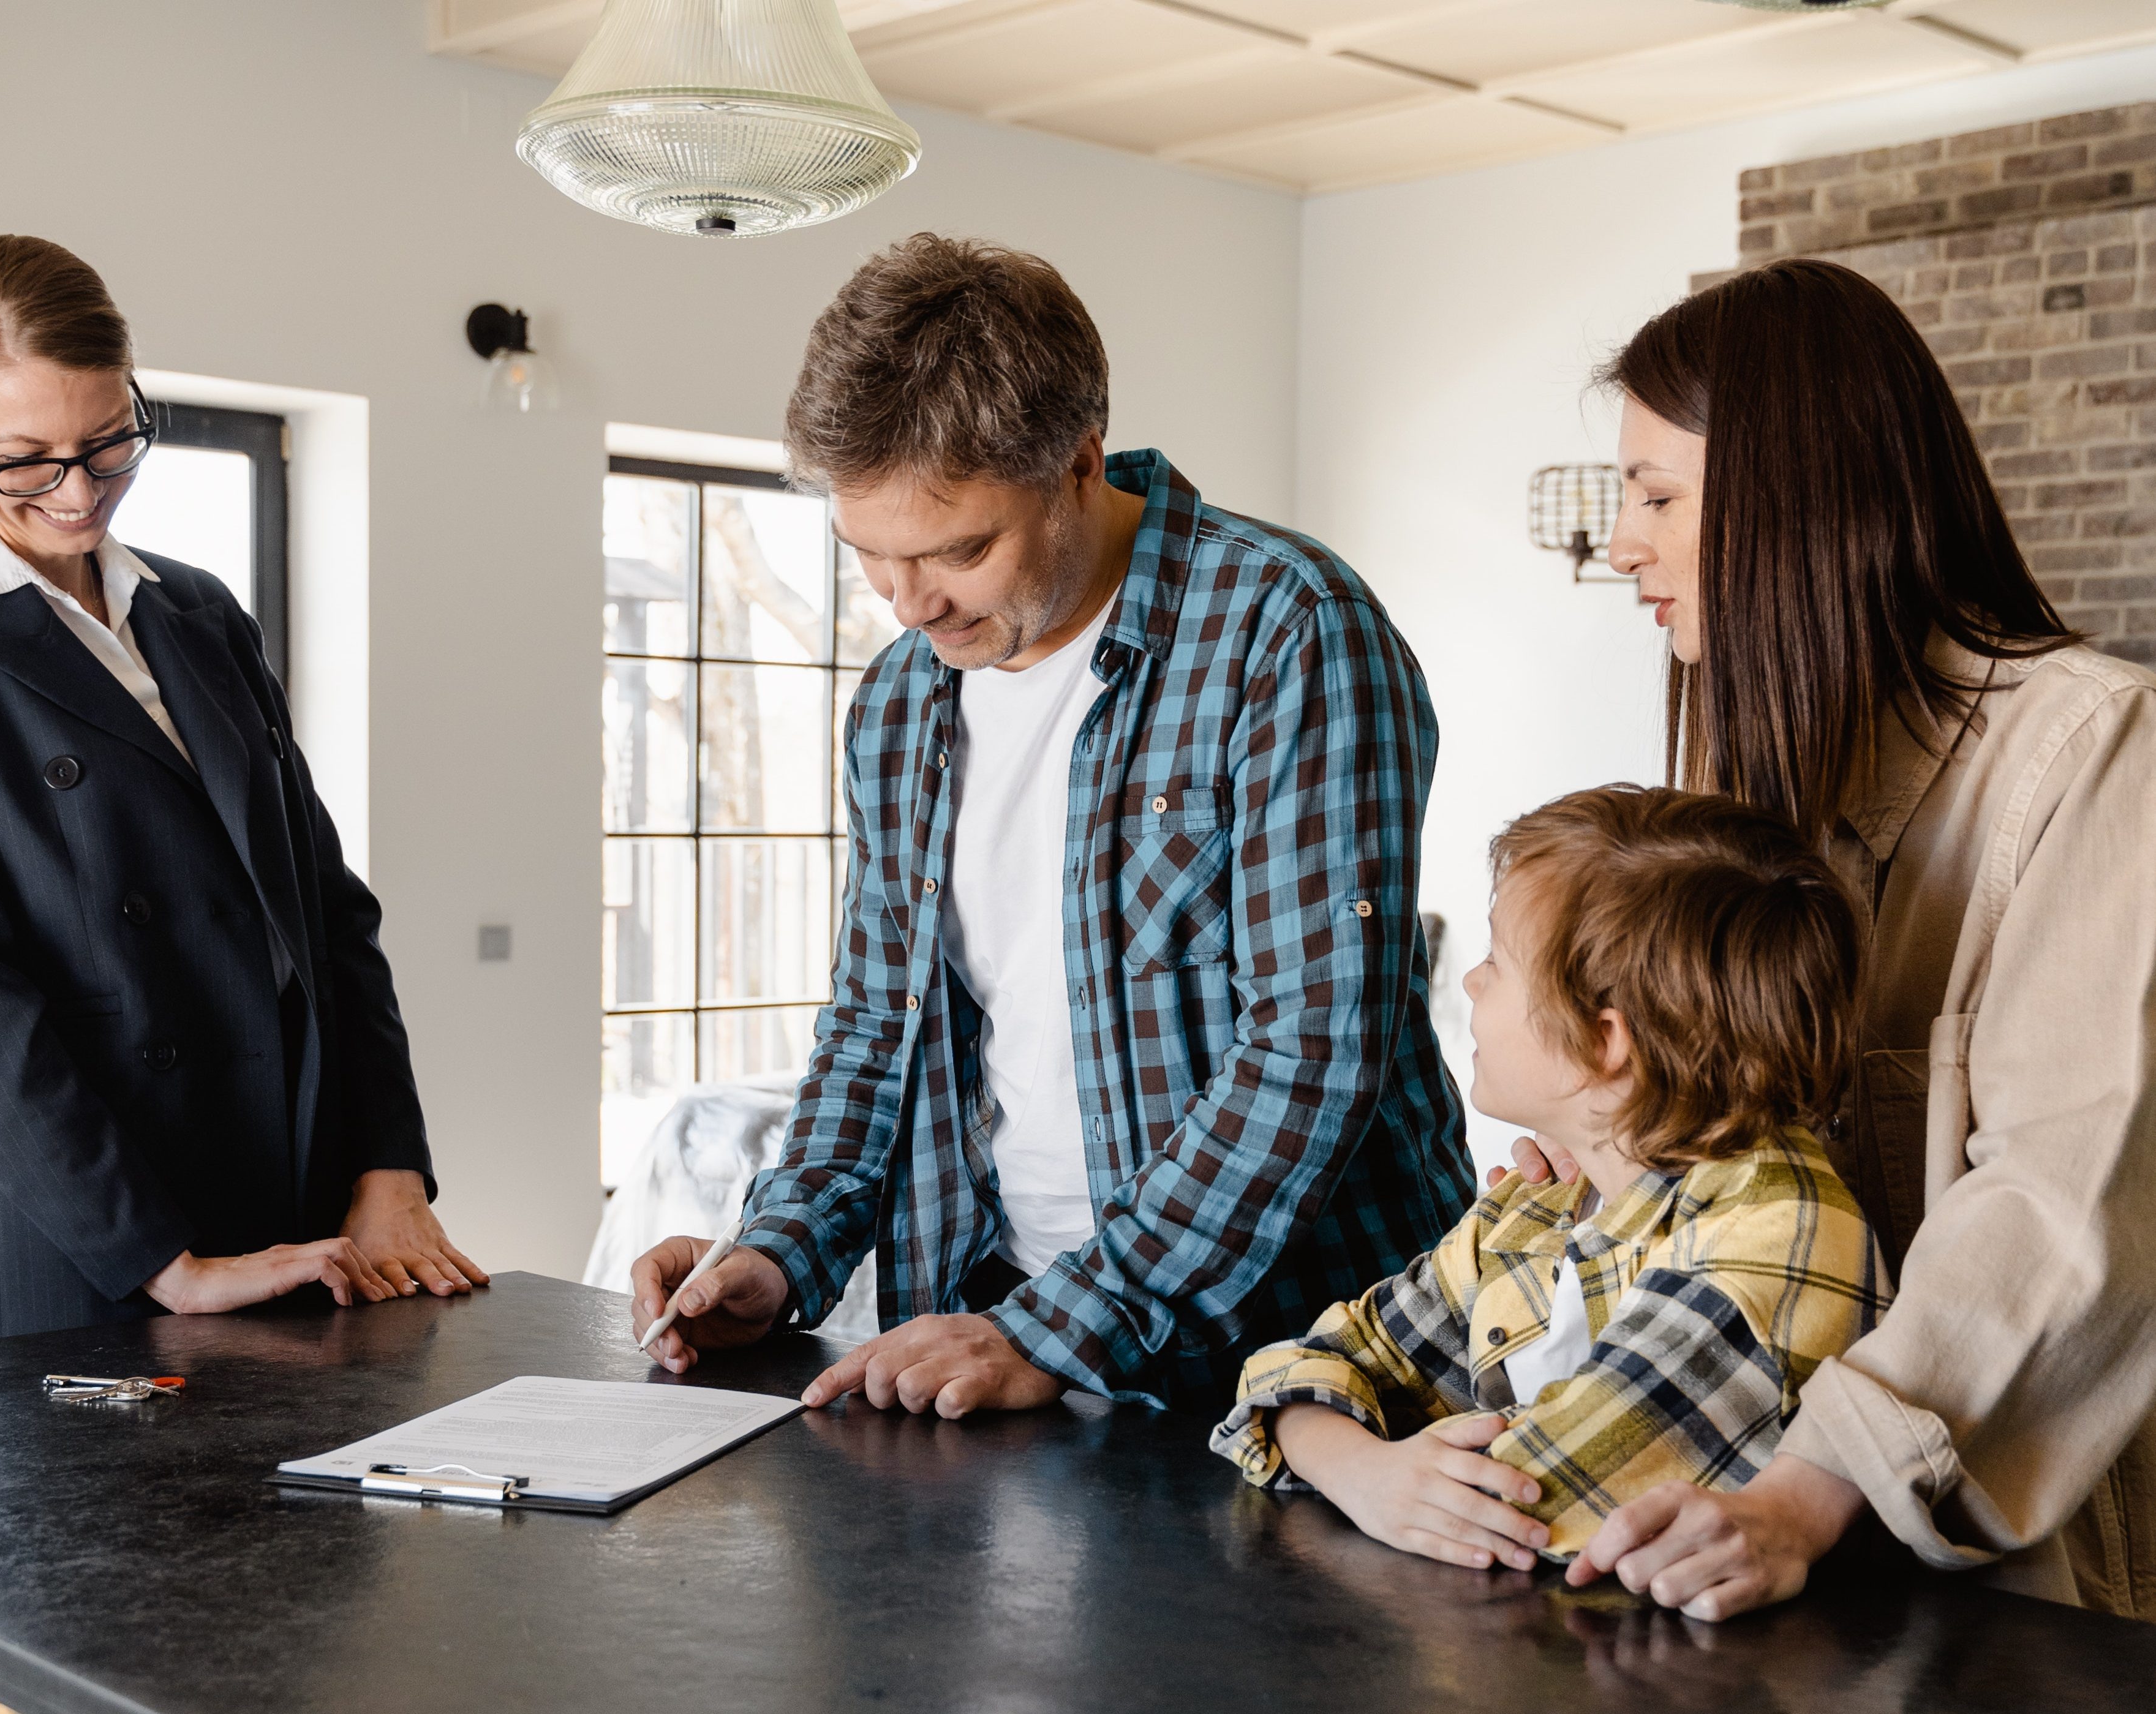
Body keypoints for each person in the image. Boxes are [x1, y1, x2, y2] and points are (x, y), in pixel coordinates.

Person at [632, 235, 1471, 1411]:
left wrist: (1060, 1329)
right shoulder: (900, 701)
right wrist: (776, 1249)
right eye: (869, 557)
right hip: (997, 1319)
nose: (910, 605)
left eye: (959, 550)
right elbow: (879, 1023)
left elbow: (1310, 1048)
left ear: (1079, 461)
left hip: (1299, 1357)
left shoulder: (1288, 629)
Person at [1536, 258, 2156, 1620]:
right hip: (1785, 1545)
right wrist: (1613, 1156)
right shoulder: (1763, 794)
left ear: (1791, 494)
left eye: (1655, 497)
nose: (1622, 545)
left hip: (2039, 1588)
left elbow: (2058, 1197)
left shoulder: (2099, 747)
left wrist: (1807, 1487)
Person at [0, 235, 484, 1342]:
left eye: (110, 441)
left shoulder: (199, 609)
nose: (80, 493)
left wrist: (389, 1166)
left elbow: (326, 911)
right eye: (26, 460)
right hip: (97, 1237)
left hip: (306, 1197)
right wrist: (165, 1264)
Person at [1212, 785, 1888, 1572]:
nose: (1471, 982)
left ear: (1603, 1043)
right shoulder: (1543, 1200)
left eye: (1498, 962)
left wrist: (1370, 1460)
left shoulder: (1773, 1241)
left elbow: (1519, 1502)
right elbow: (1301, 1365)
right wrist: (1363, 1470)